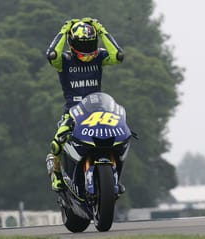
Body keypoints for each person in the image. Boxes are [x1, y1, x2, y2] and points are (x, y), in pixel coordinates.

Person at [45, 17, 124, 192]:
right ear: (72, 43)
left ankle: (114, 177)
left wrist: (101, 30)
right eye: (82, 45)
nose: (87, 49)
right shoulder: (64, 61)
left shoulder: (100, 57)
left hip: (98, 111)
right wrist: (64, 31)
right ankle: (57, 174)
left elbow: (117, 56)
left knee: (118, 138)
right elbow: (52, 54)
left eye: (90, 44)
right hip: (72, 114)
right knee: (58, 142)